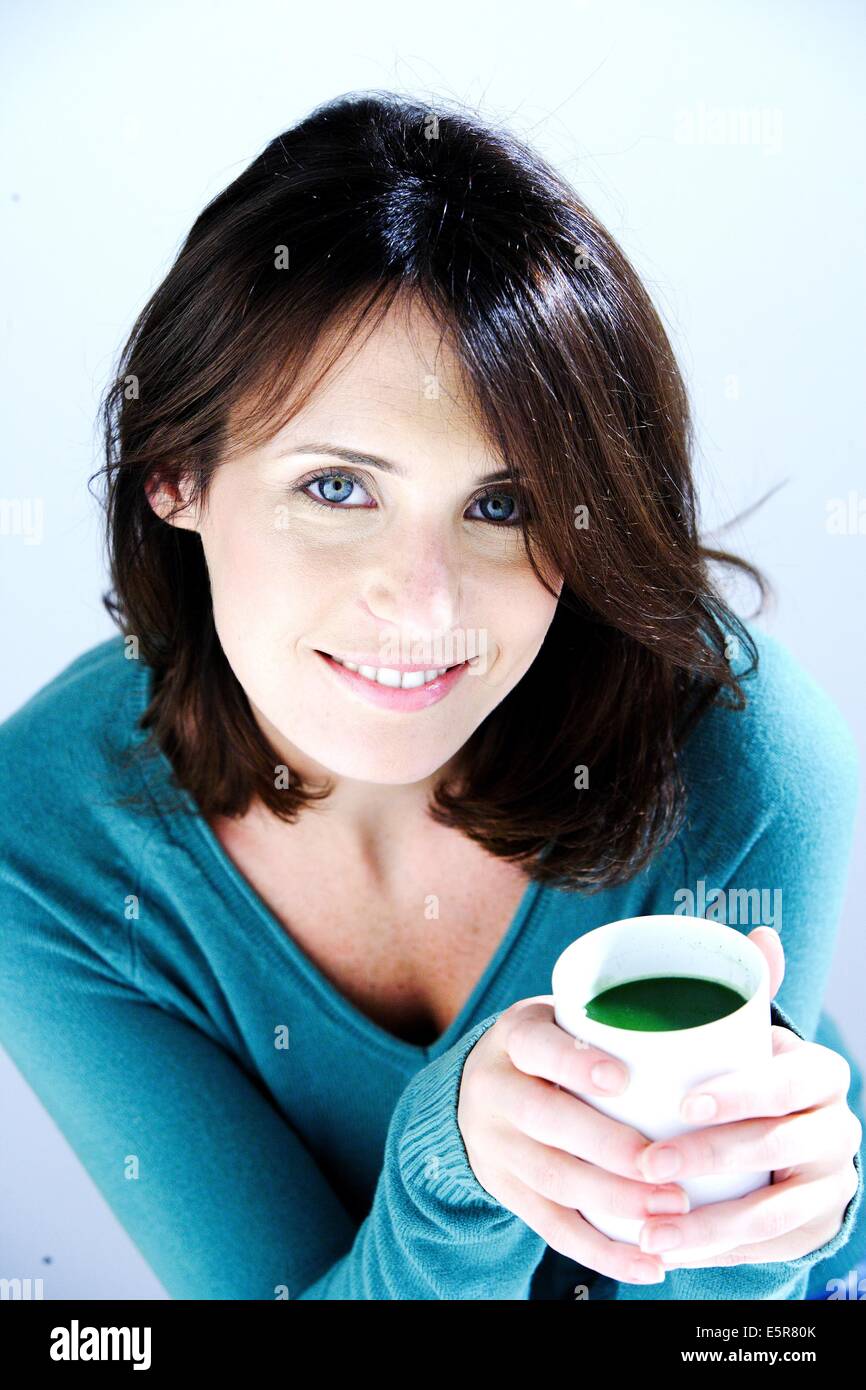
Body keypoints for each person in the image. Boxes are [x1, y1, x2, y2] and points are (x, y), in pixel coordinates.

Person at [0, 91, 862, 1301]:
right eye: (337, 488)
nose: (421, 604)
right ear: (175, 474)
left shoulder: (744, 752)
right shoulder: (41, 839)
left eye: (501, 505)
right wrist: (450, 1159)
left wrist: (769, 1234)